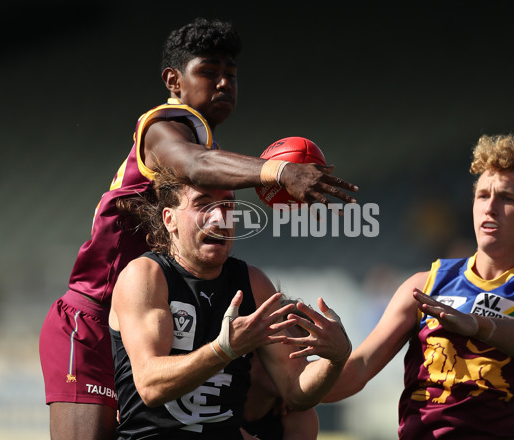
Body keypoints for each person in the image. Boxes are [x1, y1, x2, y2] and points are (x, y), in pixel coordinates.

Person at [39, 17, 357, 440]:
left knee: (273, 412)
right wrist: (279, 172)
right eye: (209, 71)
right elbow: (193, 164)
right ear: (174, 80)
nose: (224, 83)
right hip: (95, 316)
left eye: (232, 75)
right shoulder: (162, 128)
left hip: (160, 309)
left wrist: (332, 357)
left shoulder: (209, 149)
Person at [322, 134, 514, 439]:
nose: (490, 207)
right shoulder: (424, 284)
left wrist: (478, 326)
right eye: (482, 195)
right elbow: (359, 368)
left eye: (506, 198)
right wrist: (291, 388)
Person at [108, 167, 351, 439]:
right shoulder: (145, 276)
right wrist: (224, 350)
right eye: (203, 205)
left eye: (227, 206)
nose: (219, 217)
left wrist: (336, 359)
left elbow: (295, 390)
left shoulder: (253, 283)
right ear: (169, 219)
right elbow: (150, 386)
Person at [241, 297, 319, 440]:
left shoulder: (299, 415)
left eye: (302, 352)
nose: (295, 360)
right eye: (283, 346)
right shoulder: (210, 397)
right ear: (252, 350)